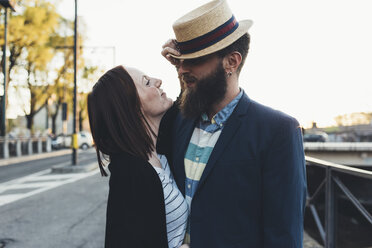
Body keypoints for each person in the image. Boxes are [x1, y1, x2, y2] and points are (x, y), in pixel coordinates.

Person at [159, 0, 307, 247]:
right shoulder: (181, 121)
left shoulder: (277, 130)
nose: (182, 69)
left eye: (194, 60)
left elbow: (284, 233)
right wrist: (183, 68)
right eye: (181, 61)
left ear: (231, 62)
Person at [87, 65, 189, 248]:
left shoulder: (160, 152)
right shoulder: (130, 172)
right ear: (132, 106)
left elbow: (186, 104)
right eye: (147, 82)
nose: (158, 81)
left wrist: (181, 65)